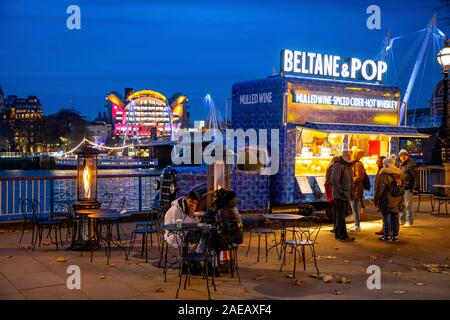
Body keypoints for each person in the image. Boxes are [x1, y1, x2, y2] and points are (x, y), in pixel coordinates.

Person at [374, 156, 405, 242]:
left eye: (384, 163)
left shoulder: (384, 174)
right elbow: (402, 186)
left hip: (387, 199)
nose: (383, 165)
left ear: (386, 164)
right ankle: (395, 236)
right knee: (395, 217)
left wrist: (376, 198)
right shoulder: (399, 173)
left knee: (386, 218)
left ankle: (386, 236)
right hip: (397, 199)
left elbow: (380, 188)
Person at [330, 149, 355, 242]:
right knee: (341, 216)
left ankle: (338, 234)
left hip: (345, 194)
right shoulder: (338, 166)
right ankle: (343, 236)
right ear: (342, 156)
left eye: (350, 155)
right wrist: (341, 191)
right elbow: (334, 180)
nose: (349, 157)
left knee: (341, 215)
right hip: (340, 195)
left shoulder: (347, 165)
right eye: (347, 155)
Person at [398, 149, 419, 227]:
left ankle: (409, 221)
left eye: (404, 155)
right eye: (401, 155)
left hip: (408, 187)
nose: (403, 157)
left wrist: (415, 187)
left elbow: (416, 177)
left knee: (408, 205)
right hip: (402, 187)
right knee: (402, 204)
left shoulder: (411, 164)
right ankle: (402, 220)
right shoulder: (401, 164)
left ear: (407, 155)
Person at [349, 149, 366, 232]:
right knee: (353, 206)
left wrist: (349, 179)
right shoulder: (354, 164)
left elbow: (359, 177)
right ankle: (356, 223)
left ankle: (357, 225)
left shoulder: (357, 164)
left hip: (356, 188)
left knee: (355, 206)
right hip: (353, 188)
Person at [325, 156, 340, 232]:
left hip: (330, 189)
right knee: (336, 209)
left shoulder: (330, 167)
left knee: (333, 207)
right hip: (333, 190)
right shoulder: (335, 168)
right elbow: (334, 180)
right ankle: (336, 226)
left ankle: (336, 226)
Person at [374, 156, 387, 236]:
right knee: (383, 214)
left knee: (385, 214)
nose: (376, 163)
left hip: (383, 196)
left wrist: (377, 196)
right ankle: (384, 229)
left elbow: (381, 186)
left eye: (378, 161)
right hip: (380, 195)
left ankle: (386, 230)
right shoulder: (379, 170)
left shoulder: (383, 172)